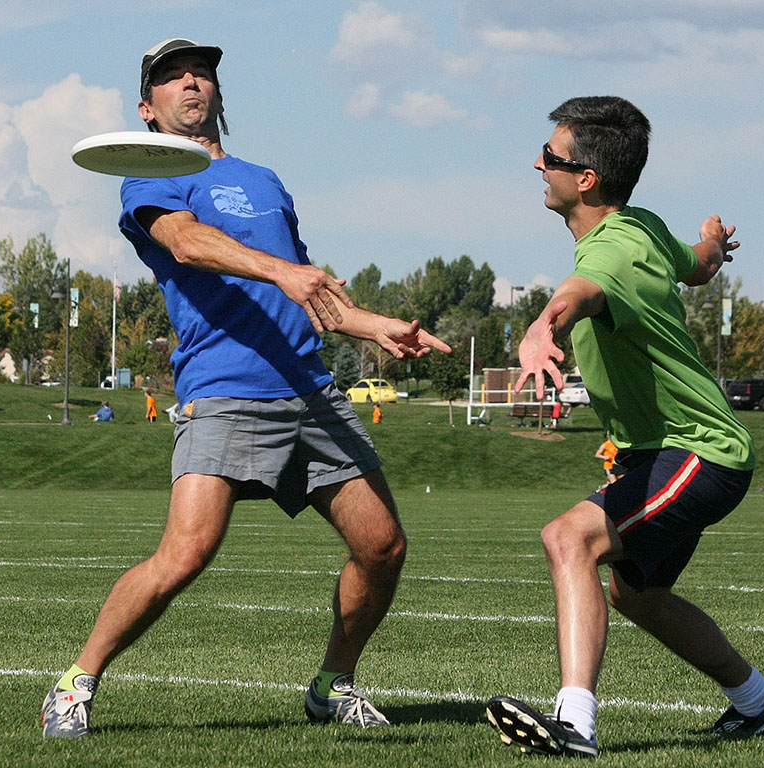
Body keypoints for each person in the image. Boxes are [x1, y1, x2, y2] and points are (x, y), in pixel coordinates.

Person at [40, 38, 450, 740]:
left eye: (201, 72)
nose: (192, 82)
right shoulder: (151, 179)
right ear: (148, 108)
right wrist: (286, 274)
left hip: (311, 389)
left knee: (383, 547)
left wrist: (373, 326)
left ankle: (333, 684)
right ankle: (76, 683)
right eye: (172, 77)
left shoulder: (266, 180)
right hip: (225, 389)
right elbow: (188, 244)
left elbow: (309, 287)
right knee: (184, 555)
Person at [486, 96, 764, 758]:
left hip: (697, 452)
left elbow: (581, 293)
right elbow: (702, 263)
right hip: (669, 454)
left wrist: (543, 329)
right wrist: (714, 237)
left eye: (549, 157)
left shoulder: (612, 256)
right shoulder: (646, 228)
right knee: (640, 596)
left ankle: (573, 724)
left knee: (568, 539)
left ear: (585, 179)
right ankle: (761, 702)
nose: (536, 164)